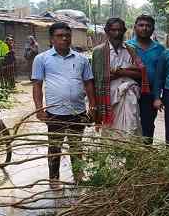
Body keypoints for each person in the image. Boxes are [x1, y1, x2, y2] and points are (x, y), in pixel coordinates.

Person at [31, 22, 96, 189]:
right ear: (52, 39)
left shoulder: (81, 59)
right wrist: (39, 108)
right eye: (60, 36)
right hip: (55, 112)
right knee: (55, 147)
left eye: (67, 35)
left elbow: (89, 83)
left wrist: (93, 106)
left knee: (76, 146)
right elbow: (37, 84)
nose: (64, 39)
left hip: (78, 111)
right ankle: (54, 179)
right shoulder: (42, 59)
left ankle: (78, 176)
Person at [91, 17, 149, 135]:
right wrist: (125, 71)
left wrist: (120, 72)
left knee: (131, 128)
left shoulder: (130, 50)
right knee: (110, 131)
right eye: (113, 30)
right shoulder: (98, 51)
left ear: (124, 31)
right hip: (109, 98)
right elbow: (97, 78)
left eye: (120, 30)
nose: (117, 33)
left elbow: (140, 73)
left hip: (129, 96)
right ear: (107, 31)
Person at [126, 15, 165, 144]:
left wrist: (157, 97)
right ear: (135, 27)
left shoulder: (159, 49)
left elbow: (160, 76)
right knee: (130, 124)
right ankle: (131, 156)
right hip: (129, 93)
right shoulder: (127, 46)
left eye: (148, 26)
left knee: (148, 125)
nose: (144, 28)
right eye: (141, 25)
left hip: (149, 94)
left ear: (153, 28)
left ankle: (146, 155)